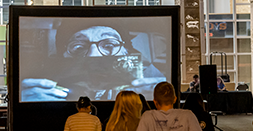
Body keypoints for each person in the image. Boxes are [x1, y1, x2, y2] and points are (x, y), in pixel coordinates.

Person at [21, 24, 166, 101]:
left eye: (109, 46)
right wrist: (29, 101)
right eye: (78, 47)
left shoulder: (149, 81)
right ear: (64, 56)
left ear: (126, 52)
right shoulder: (45, 89)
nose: (93, 54)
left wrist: (160, 98)